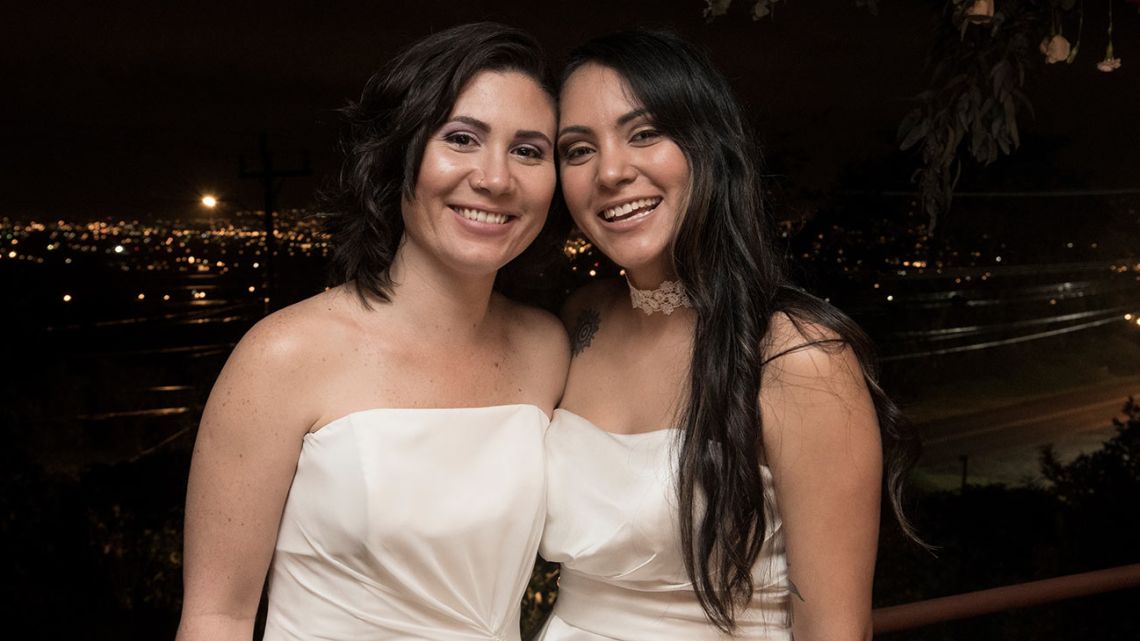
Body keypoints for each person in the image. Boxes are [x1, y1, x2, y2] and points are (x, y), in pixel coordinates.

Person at [176, 23, 569, 641]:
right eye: (461, 138)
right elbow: (216, 617)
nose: (495, 179)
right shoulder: (283, 355)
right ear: (399, 155)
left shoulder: (550, 348)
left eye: (528, 150)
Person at [538, 31, 917, 640]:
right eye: (578, 150)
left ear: (707, 145)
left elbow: (835, 629)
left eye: (644, 133)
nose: (610, 171)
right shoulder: (578, 319)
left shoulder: (799, 356)